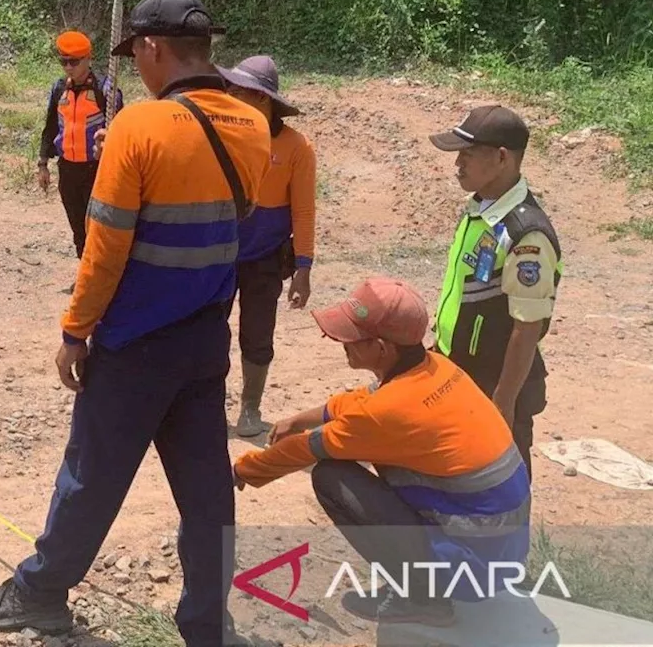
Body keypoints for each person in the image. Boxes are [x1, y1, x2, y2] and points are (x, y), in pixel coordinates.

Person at [0, 0, 271, 646]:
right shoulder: (252, 125)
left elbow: (104, 250)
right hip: (204, 340)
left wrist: (75, 331)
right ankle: (206, 624)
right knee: (206, 490)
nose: (135, 63)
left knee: (93, 474)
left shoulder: (137, 126)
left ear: (154, 48)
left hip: (135, 342)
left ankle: (42, 591)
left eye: (136, 50)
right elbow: (235, 220)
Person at [234, 277, 531, 626]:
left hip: (475, 567)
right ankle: (425, 582)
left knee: (332, 476)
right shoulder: (437, 368)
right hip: (501, 551)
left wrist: (242, 470)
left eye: (352, 337)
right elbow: (365, 399)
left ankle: (423, 599)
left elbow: (306, 449)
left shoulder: (387, 411)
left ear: (382, 348)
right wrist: (299, 418)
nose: (338, 341)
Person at [429, 106, 561, 479]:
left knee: (503, 484)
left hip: (497, 384)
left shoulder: (526, 233)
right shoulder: (481, 211)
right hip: (461, 371)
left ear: (501, 158)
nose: (458, 162)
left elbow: (526, 327)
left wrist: (503, 402)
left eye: (467, 154)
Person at [219, 56, 316, 436]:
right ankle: (206, 407)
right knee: (209, 332)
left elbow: (304, 211)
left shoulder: (296, 148)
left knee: (257, 334)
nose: (230, 96)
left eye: (239, 92)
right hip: (219, 254)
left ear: (262, 100)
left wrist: (303, 268)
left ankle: (250, 410)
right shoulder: (222, 136)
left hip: (265, 259)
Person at [37, 31, 124, 259]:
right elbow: (51, 128)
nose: (68, 67)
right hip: (67, 170)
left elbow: (122, 132)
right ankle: (85, 274)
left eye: (74, 62)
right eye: (64, 61)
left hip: (95, 171)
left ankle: (101, 278)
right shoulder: (59, 90)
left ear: (88, 59)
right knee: (78, 228)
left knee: (97, 228)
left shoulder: (105, 90)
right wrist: (42, 164)